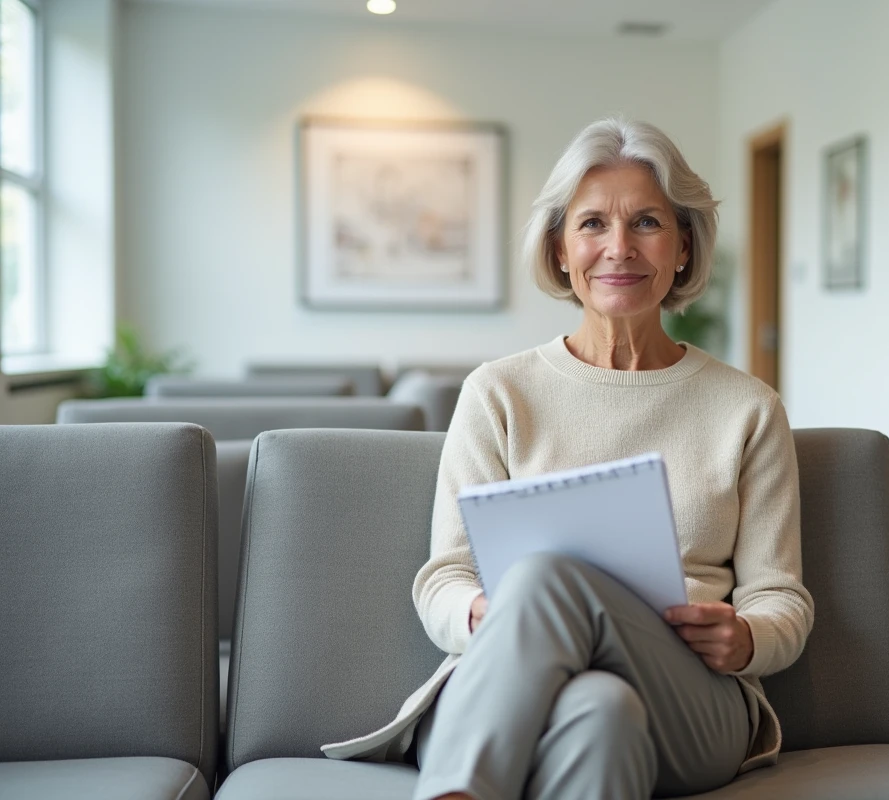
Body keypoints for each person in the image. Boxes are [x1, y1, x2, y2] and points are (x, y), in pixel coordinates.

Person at [321, 118, 815, 800]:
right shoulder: (498, 392)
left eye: (646, 222)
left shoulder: (748, 409)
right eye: (592, 225)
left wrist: (750, 638)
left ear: (682, 247)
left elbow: (779, 598)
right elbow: (445, 579)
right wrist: (487, 614)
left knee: (551, 574)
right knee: (602, 714)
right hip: (530, 696)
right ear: (559, 250)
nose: (619, 248)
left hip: (692, 700)